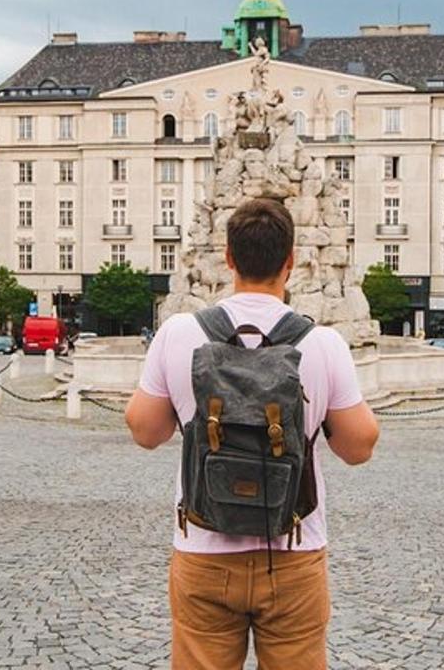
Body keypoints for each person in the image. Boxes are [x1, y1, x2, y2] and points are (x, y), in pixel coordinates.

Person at [126, 198, 380, 669]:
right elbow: (359, 446)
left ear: (227, 258)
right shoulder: (323, 343)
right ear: (291, 260)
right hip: (293, 553)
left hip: (203, 551)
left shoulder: (179, 333)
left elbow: (144, 430)